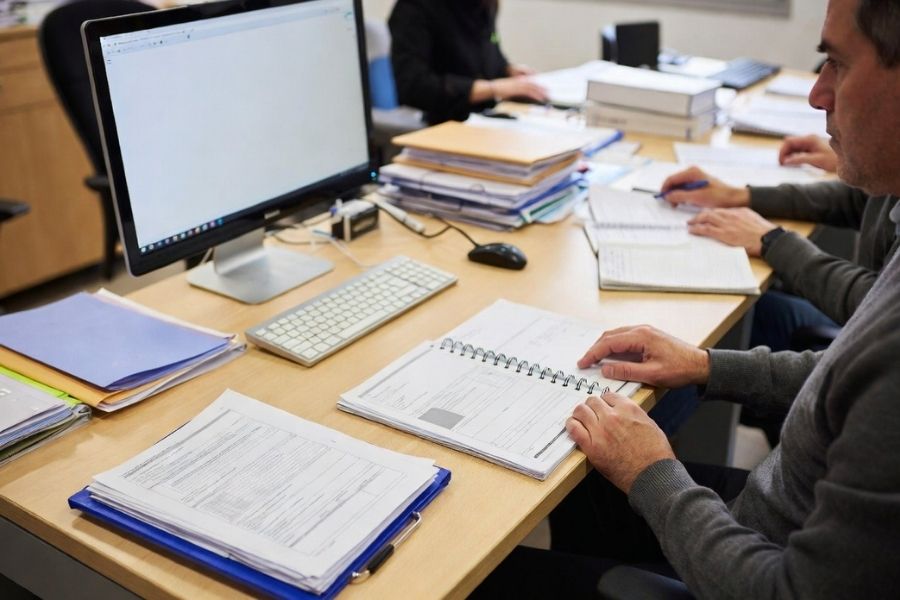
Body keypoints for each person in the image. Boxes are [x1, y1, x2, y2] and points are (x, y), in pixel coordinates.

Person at [472, 0, 900, 596]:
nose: (817, 94)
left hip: (761, 560)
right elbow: (843, 378)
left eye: (837, 63)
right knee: (590, 479)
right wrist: (704, 364)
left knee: (475, 576)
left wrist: (653, 472)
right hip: (771, 517)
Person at [388, 0, 547, 125]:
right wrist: (494, 88)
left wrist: (508, 70)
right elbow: (414, 87)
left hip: (486, 119)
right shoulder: (414, 8)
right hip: (443, 124)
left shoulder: (483, 5)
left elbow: (489, 55)